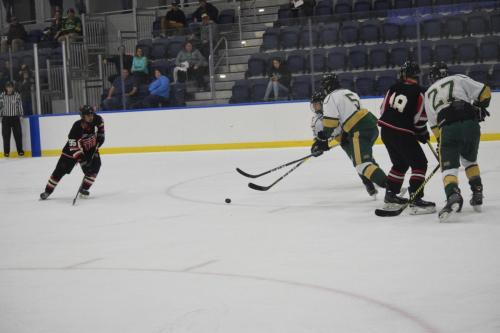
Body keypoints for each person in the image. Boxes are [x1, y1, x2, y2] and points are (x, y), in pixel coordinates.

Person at [424, 62, 491, 221]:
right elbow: (485, 92)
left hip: (448, 127)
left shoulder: (428, 93)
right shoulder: (458, 78)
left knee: (449, 168)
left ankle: (453, 194)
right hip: (470, 124)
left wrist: (441, 141)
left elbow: (434, 125)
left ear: (433, 77)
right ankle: (477, 191)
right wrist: (479, 107)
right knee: (470, 160)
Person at [378, 61, 436, 214]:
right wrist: (421, 132)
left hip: (385, 131)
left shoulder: (393, 87)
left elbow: (382, 109)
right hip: (402, 132)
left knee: (400, 163)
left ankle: (391, 195)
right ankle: (416, 199)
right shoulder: (420, 91)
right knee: (420, 164)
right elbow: (420, 117)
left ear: (403, 74)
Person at [311, 74, 387, 189]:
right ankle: (372, 183)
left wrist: (323, 138)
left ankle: (391, 188)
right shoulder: (349, 92)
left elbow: (331, 124)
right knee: (363, 158)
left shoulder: (330, 98)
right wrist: (321, 141)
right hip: (371, 126)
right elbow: (353, 113)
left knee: (361, 164)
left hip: (358, 130)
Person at [40, 105, 104, 200]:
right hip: (70, 151)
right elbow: (73, 146)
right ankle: (47, 191)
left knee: (95, 167)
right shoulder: (77, 127)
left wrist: (100, 138)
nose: (91, 117)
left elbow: (101, 131)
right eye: (88, 115)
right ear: (83, 116)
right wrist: (82, 161)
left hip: (90, 148)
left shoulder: (98, 119)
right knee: (59, 171)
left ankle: (84, 189)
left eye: (92, 114)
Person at [0, 81, 24, 157]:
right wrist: (0, 116)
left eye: (10, 87)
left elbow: (19, 105)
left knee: (18, 135)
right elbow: (0, 106)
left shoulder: (17, 95)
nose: (9, 88)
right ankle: (6, 152)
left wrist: (21, 115)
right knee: (6, 136)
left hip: (15, 118)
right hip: (5, 118)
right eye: (8, 87)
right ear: (6, 88)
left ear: (13, 87)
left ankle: (20, 151)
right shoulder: (2, 95)